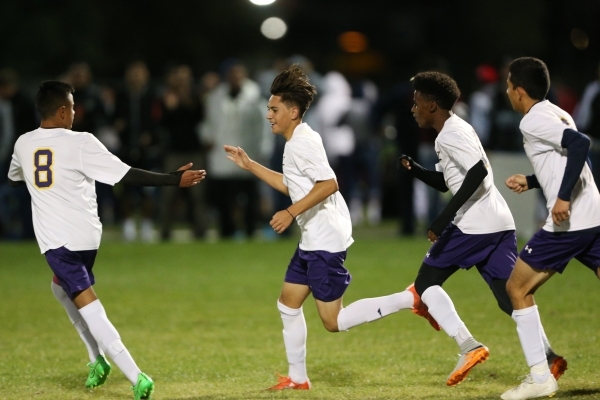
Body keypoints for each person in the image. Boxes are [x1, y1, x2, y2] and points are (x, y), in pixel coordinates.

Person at [7, 81, 206, 400]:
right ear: (61, 111)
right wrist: (171, 180)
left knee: (89, 308)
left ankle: (136, 375)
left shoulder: (23, 144)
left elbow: (15, 177)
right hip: (87, 236)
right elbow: (126, 174)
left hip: (59, 241)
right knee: (60, 288)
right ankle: (96, 359)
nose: (74, 112)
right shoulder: (81, 142)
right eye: (72, 106)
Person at [398, 71, 566, 386]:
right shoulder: (453, 130)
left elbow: (477, 172)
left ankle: (468, 346)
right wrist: (416, 170)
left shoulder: (450, 134)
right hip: (498, 224)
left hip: (473, 226)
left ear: (432, 105)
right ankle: (549, 358)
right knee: (509, 296)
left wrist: (443, 217)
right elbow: (452, 181)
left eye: (417, 102)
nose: (413, 108)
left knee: (425, 283)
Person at [500, 57, 600, 400]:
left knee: (516, 288)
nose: (507, 91)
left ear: (520, 92)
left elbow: (581, 145)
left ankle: (540, 376)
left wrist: (561, 199)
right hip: (594, 216)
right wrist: (532, 180)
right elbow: (565, 158)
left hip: (569, 225)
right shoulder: (556, 111)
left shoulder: (532, 122)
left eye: (509, 85)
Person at [201, 60, 269, 239]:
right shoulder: (216, 95)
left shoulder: (255, 95)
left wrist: (264, 149)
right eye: (232, 73)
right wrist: (207, 139)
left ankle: (251, 229)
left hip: (248, 153)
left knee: (250, 196)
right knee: (224, 198)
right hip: (223, 155)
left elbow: (264, 124)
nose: (235, 77)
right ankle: (227, 231)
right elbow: (209, 121)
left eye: (239, 73)